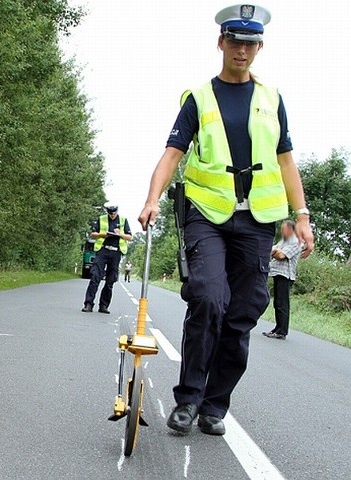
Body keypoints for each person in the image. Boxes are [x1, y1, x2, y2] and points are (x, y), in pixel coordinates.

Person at [138, 4, 314, 436]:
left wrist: (302, 215)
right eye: (235, 40)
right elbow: (172, 154)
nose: (242, 49)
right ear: (221, 42)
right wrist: (152, 198)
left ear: (259, 47)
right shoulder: (199, 98)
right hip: (208, 215)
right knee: (208, 298)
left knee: (242, 314)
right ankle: (189, 399)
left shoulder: (273, 99)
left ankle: (215, 405)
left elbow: (287, 161)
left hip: (257, 221)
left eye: (251, 43)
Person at [82, 205, 132, 314]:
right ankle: (88, 304)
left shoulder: (123, 220)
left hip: (116, 252)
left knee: (110, 281)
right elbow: (93, 233)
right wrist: (102, 234)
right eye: (110, 213)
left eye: (113, 213)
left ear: (117, 212)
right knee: (95, 277)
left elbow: (130, 237)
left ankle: (104, 305)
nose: (112, 215)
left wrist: (120, 234)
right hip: (102, 250)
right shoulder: (102, 219)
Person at [264, 220, 302, 339]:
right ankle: (277, 327)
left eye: (284, 228)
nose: (282, 230)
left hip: (286, 275)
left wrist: (275, 253)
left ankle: (282, 331)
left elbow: (281, 256)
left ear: (291, 230)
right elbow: (271, 250)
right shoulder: (284, 241)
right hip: (277, 273)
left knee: (283, 303)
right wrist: (276, 252)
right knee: (277, 303)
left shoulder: (296, 242)